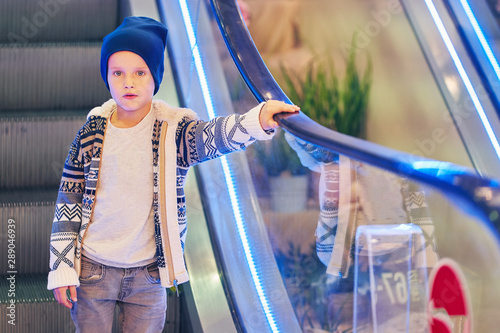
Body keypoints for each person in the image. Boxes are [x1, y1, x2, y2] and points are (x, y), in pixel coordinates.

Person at [47, 16, 299, 332]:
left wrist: (256, 120)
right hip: (94, 268)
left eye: (140, 73)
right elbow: (67, 202)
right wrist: (62, 267)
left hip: (149, 274)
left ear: (156, 78)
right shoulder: (91, 133)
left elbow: (213, 137)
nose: (129, 82)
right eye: (118, 73)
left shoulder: (173, 132)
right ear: (106, 78)